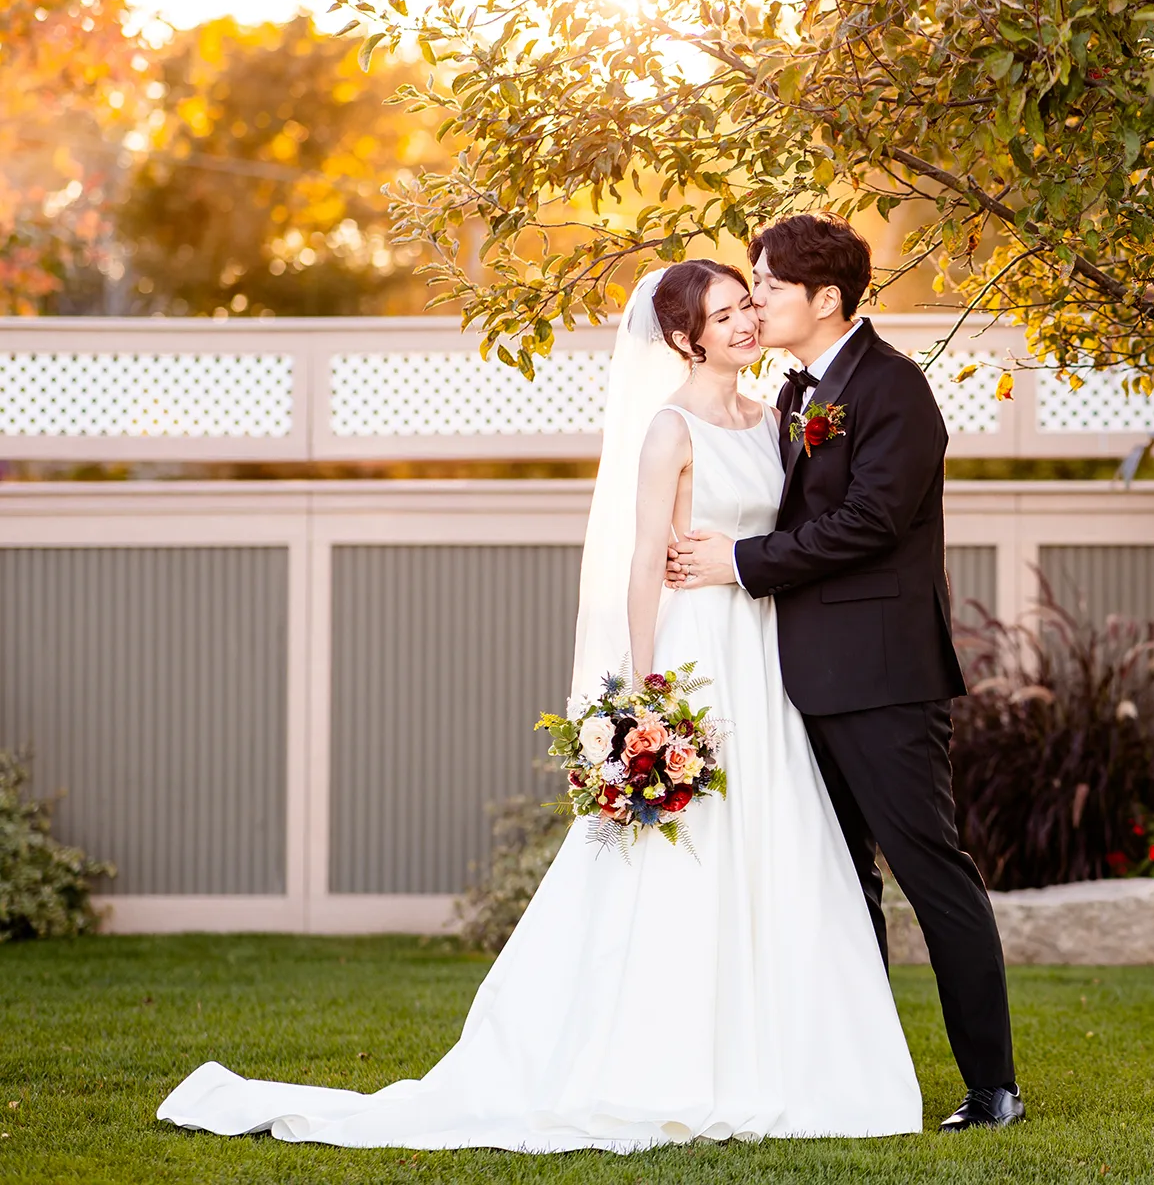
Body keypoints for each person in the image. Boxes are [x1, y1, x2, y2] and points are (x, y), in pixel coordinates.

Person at [155, 258, 924, 1151]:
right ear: (685, 337)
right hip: (699, 652)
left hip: (766, 649)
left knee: (779, 839)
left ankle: (786, 1055)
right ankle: (664, 1054)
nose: (748, 320)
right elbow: (643, 561)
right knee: (689, 857)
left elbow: (797, 532)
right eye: (726, 312)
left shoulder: (778, 418)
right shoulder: (669, 430)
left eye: (749, 303)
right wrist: (648, 693)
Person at [667, 214, 1022, 1131]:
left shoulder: (893, 389)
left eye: (771, 286)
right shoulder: (795, 395)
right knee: (842, 883)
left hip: (886, 679)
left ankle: (993, 1088)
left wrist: (740, 561)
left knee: (931, 872)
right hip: (799, 682)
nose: (757, 301)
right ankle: (861, 1077)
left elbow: (869, 524)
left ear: (825, 299)